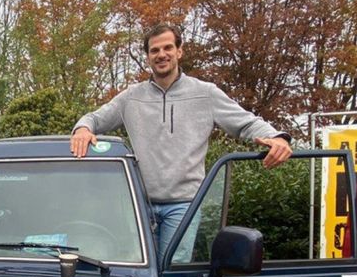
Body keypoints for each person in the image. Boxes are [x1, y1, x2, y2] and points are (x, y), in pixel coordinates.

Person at [70, 24, 292, 261]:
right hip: (139, 205)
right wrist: (83, 128)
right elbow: (95, 118)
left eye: (167, 48)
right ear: (147, 57)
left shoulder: (205, 93)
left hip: (184, 204)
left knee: (172, 268)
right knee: (135, 268)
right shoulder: (131, 97)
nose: (161, 54)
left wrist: (278, 137)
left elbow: (246, 122)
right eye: (154, 50)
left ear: (179, 51)